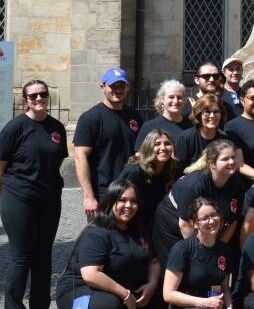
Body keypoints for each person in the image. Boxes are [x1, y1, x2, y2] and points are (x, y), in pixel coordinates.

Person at [0, 79, 67, 309]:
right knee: (21, 258)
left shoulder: (57, 128)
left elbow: (55, 162)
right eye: (32, 96)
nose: (38, 99)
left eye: (42, 94)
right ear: (25, 101)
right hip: (19, 198)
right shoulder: (15, 128)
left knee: (43, 258)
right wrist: (3, 199)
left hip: (50, 200)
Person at [55, 179, 160, 309]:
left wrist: (152, 284)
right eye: (122, 200)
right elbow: (91, 275)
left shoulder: (139, 230)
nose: (129, 205)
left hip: (119, 288)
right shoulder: (96, 233)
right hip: (81, 289)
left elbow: (153, 262)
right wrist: (126, 295)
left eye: (134, 201)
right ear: (110, 202)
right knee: (109, 305)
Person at [152, 140, 249, 267]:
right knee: (184, 265)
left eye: (233, 157)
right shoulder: (194, 185)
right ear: (211, 164)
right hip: (173, 224)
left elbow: (233, 221)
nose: (231, 162)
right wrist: (200, 253)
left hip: (203, 225)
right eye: (225, 159)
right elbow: (185, 224)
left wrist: (218, 248)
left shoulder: (237, 185)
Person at [74, 67, 144, 218]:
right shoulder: (90, 118)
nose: (118, 90)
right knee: (103, 238)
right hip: (103, 193)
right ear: (102, 87)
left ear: (128, 87)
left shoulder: (135, 117)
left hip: (131, 192)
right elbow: (80, 157)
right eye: (113, 85)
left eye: (122, 85)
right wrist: (88, 196)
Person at [163, 197, 236, 309]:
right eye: (205, 218)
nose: (211, 220)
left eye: (214, 215)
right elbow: (168, 294)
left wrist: (229, 306)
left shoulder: (225, 250)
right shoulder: (182, 249)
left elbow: (225, 289)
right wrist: (205, 302)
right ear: (195, 223)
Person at [116, 130, 179, 238]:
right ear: (148, 147)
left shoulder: (169, 170)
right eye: (157, 144)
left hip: (152, 226)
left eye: (167, 143)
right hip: (129, 226)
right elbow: (117, 203)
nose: (163, 148)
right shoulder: (135, 171)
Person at [135, 79, 194, 155]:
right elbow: (139, 155)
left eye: (179, 97)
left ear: (184, 100)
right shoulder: (149, 127)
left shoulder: (191, 127)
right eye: (171, 97)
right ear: (162, 99)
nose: (175, 101)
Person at [175, 95, 230, 173]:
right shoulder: (186, 138)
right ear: (199, 114)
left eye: (216, 112)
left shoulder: (224, 139)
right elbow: (178, 171)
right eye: (207, 112)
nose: (212, 116)